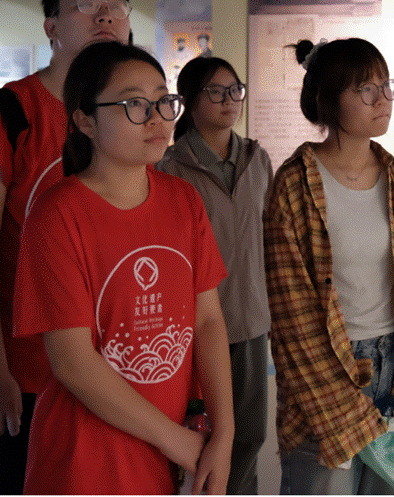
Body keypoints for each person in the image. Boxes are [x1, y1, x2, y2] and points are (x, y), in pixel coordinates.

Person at [13, 41, 235, 494]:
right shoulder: (58, 214)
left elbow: (208, 320)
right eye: (134, 103)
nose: (156, 117)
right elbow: (72, 361)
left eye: (162, 100)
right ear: (85, 120)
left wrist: (225, 433)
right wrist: (179, 442)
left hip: (170, 453)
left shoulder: (183, 200)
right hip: (86, 462)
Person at [0, 0, 132, 494]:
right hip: (26, 368)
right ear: (51, 26)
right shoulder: (4, 115)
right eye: (84, 3)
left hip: (114, 366)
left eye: (116, 5)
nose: (103, 14)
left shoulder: (127, 118)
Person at [264, 37, 394, 494]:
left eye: (387, 86)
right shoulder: (294, 185)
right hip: (324, 375)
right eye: (366, 89)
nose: (382, 99)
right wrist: (345, 409)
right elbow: (291, 316)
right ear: (328, 98)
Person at [157, 56, 273, 494]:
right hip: (196, 327)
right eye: (216, 92)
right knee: (198, 437)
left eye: (234, 90)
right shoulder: (171, 166)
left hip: (250, 322)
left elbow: (271, 237)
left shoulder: (257, 159)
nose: (229, 100)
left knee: (249, 435)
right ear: (189, 100)